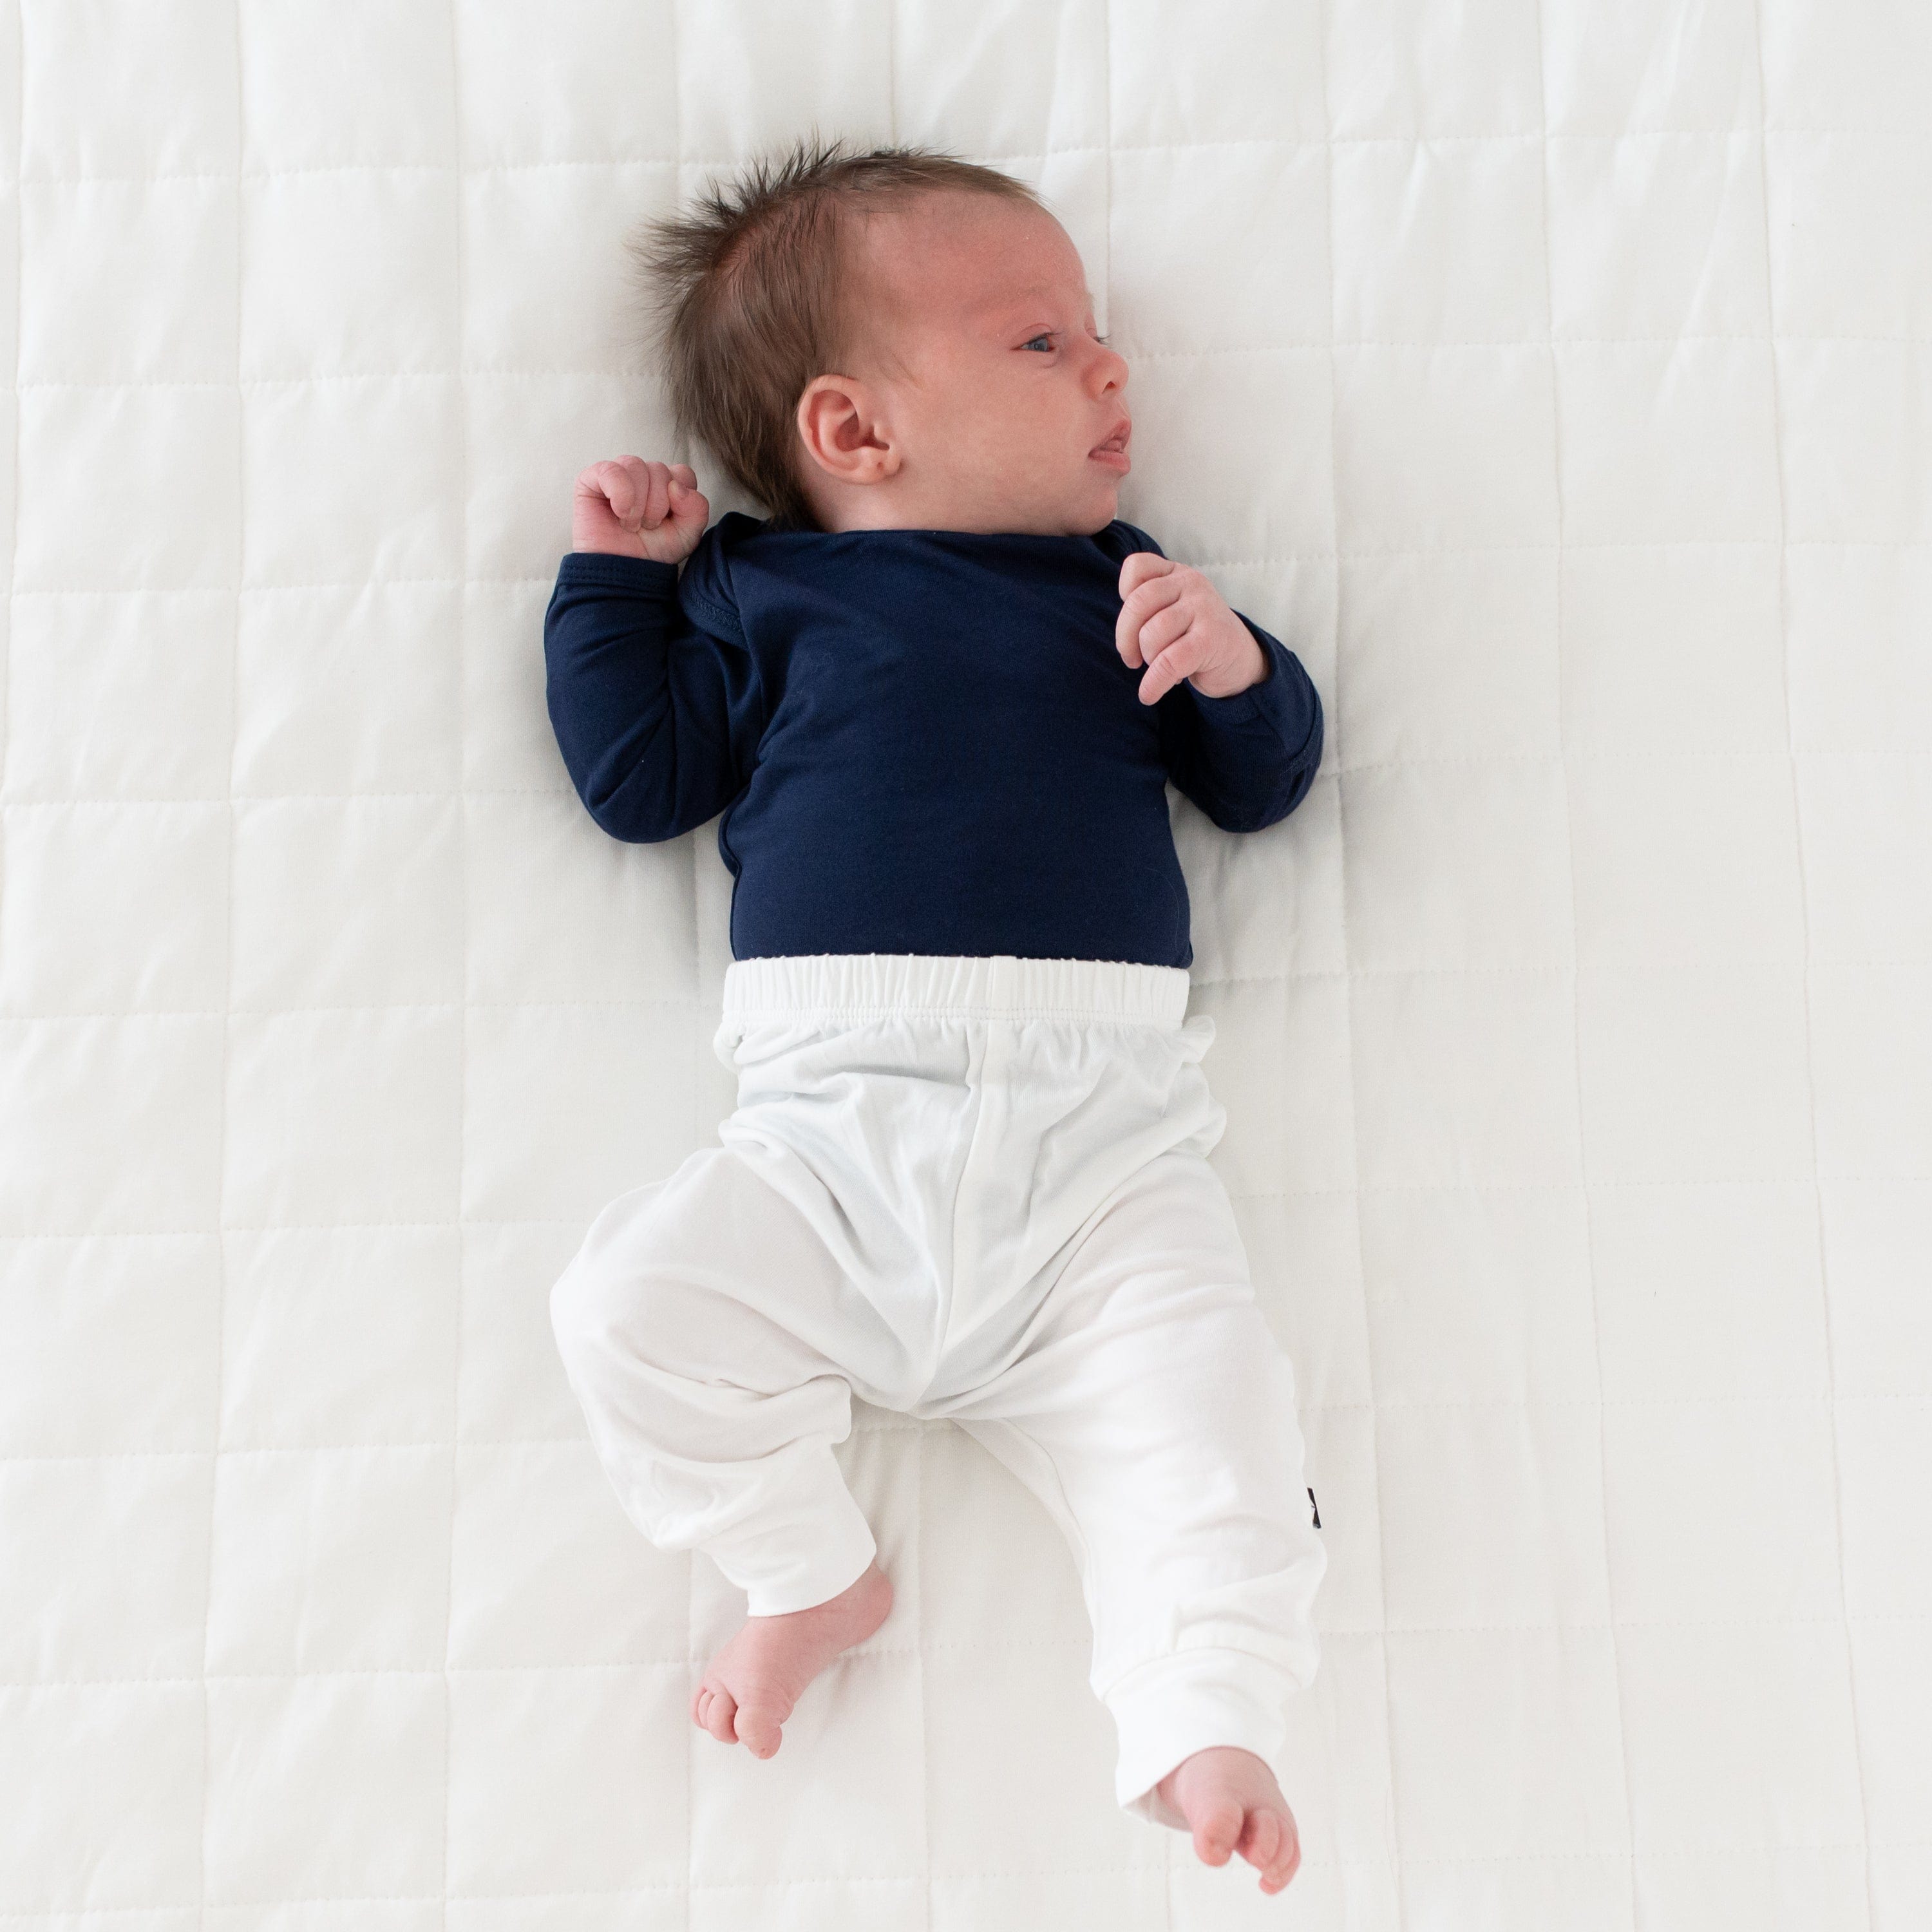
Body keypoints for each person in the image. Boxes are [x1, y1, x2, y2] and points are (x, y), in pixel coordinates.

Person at [542, 131, 1327, 1898]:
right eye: (1043, 343)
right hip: (828, 1145)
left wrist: (1238, 672)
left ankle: (1205, 1716)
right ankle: (803, 1565)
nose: (1109, 365)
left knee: (1213, 1426)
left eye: (1096, 332)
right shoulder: (763, 591)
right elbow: (638, 782)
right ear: (852, 429)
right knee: (625, 1311)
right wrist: (615, 592)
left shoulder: (1126, 583)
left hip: (1104, 1168)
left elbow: (1263, 784)